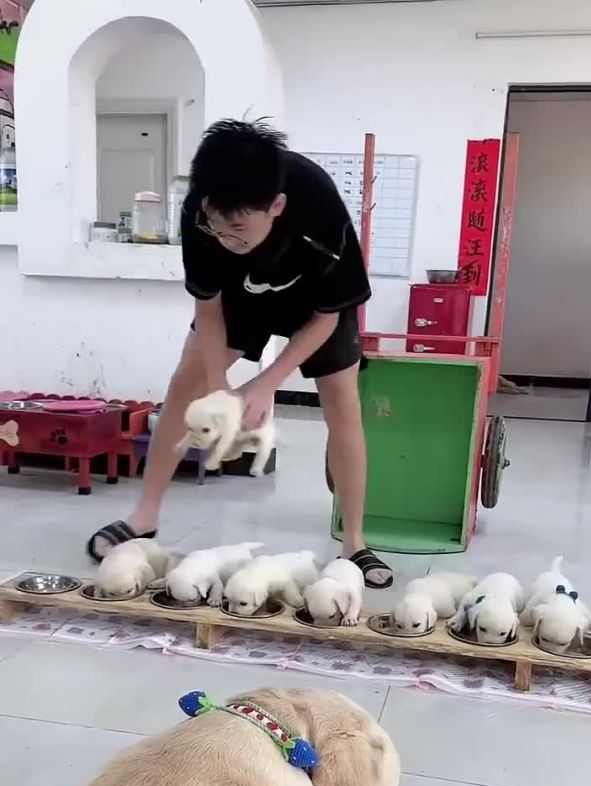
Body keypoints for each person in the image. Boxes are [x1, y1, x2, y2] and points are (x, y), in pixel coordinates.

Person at [87, 120, 393, 588]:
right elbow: (208, 311)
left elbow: (328, 317)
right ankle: (144, 515)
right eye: (216, 224)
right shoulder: (200, 213)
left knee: (342, 403)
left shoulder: (319, 209)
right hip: (241, 297)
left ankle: (354, 542)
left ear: (276, 206)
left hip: (314, 303)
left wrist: (265, 383)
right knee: (186, 384)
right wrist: (218, 390)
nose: (226, 237)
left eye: (238, 227)